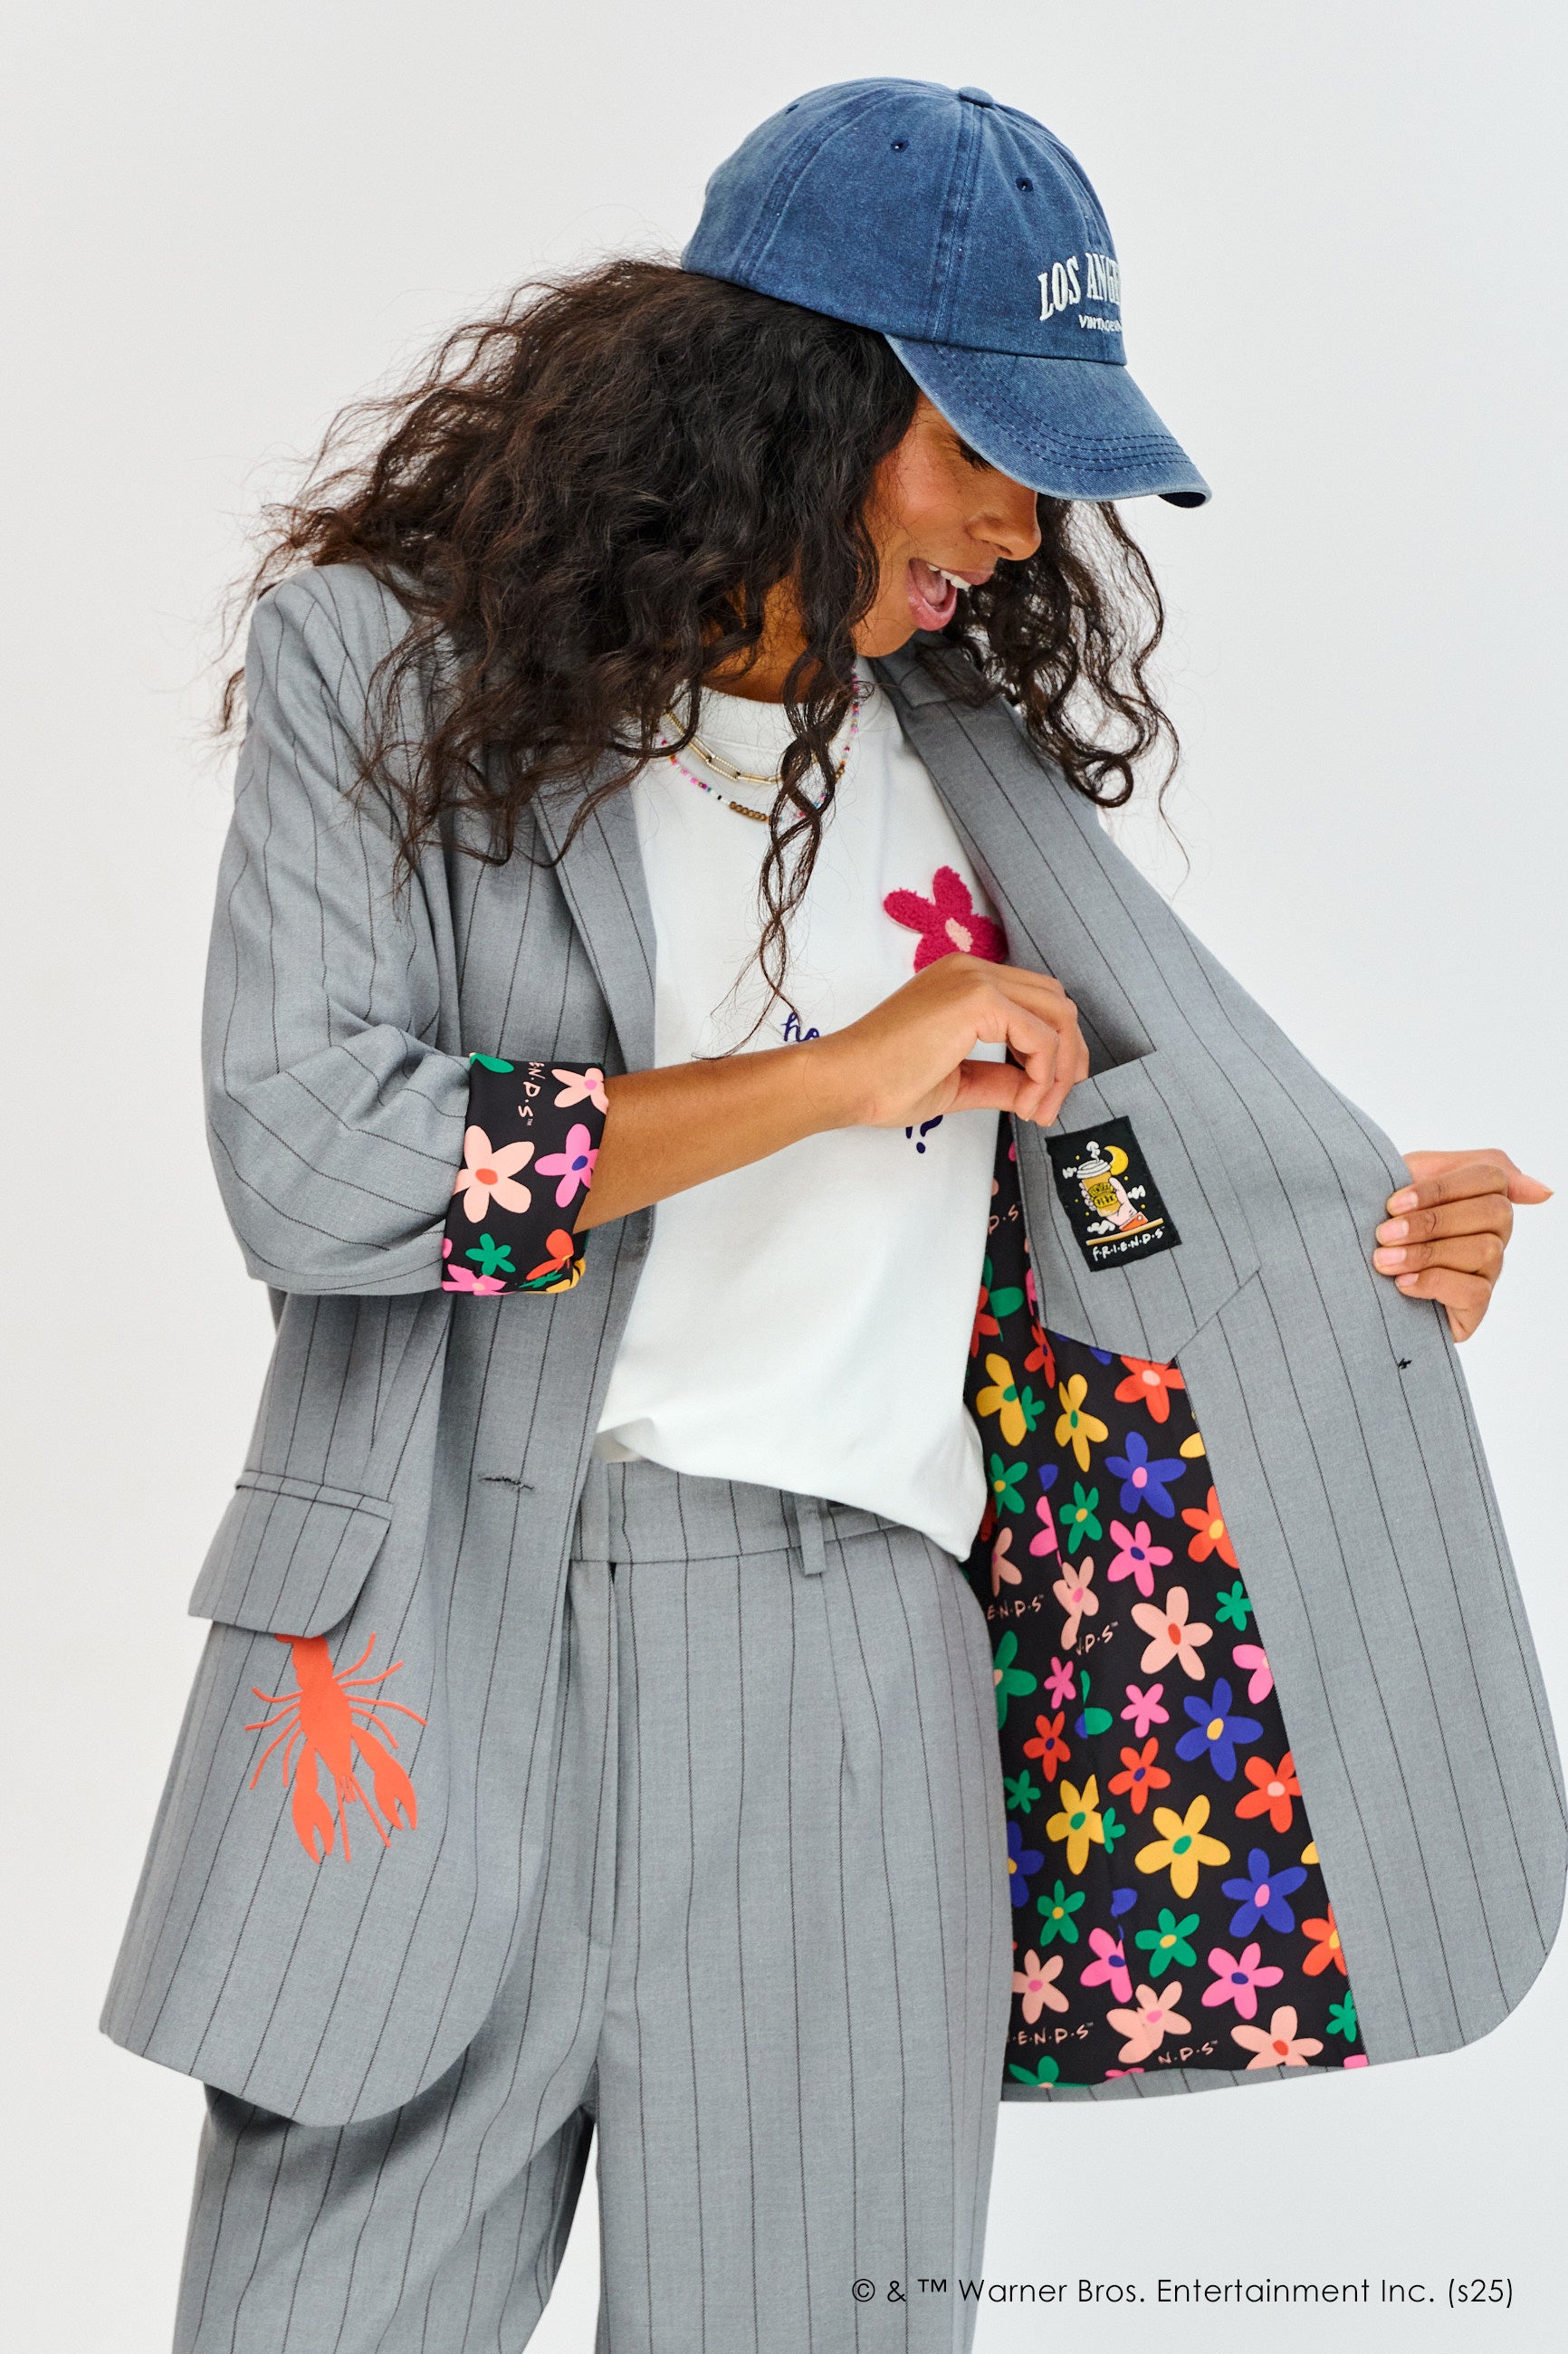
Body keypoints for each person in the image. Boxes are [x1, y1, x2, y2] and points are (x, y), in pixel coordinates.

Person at [103, 78, 1561, 2354]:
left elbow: (1083, 1200)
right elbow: (313, 1157)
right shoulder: (381, 672)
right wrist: (821, 1079)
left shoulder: (959, 759)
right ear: (779, 396)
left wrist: (1346, 1266)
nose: (1018, 518)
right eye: (971, 439)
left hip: (857, 1681)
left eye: (1045, 464)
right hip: (432, 1657)